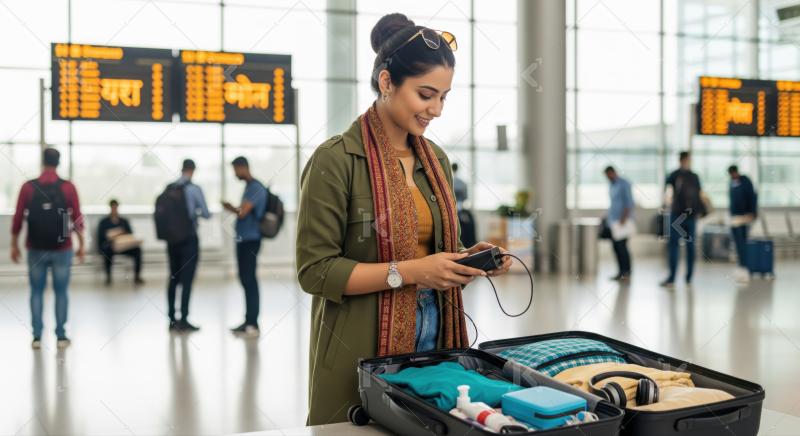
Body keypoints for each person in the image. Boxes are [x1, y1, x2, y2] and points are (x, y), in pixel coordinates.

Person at [295, 13, 512, 425]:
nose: (437, 110)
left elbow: (437, 252)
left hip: (436, 333)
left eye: (444, 97)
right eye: (426, 94)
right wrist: (412, 272)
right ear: (386, 82)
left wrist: (469, 259)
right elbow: (316, 272)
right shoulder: (335, 160)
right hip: (362, 340)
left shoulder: (437, 162)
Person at [10, 148, 85, 349]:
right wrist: (82, 245)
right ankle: (61, 336)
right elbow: (76, 217)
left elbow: (18, 218)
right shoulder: (68, 187)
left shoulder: (28, 187)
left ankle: (36, 337)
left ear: (42, 161)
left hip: (35, 247)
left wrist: (14, 244)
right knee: (61, 292)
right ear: (59, 162)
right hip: (63, 247)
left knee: (36, 291)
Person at [222, 156, 267, 338]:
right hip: (244, 239)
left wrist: (229, 207)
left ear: (243, 167)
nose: (234, 174)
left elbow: (243, 212)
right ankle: (248, 320)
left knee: (249, 280)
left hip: (251, 240)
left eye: (235, 170)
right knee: (245, 279)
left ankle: (252, 323)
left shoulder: (255, 187)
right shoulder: (249, 187)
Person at [165, 159, 209, 332]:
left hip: (172, 241)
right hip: (189, 239)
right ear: (193, 170)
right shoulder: (194, 189)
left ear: (182, 169)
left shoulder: (169, 189)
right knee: (187, 280)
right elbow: (206, 213)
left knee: (173, 278)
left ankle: (171, 319)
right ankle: (184, 319)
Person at [661, 151, 704, 288]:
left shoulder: (693, 176)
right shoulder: (675, 175)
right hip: (679, 216)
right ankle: (674, 277)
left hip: (687, 216)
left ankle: (687, 277)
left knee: (688, 246)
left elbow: (699, 195)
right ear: (682, 160)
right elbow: (667, 191)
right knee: (675, 246)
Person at [97, 199, 143, 285]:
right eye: (113, 207)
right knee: (107, 251)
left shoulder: (124, 221)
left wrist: (122, 235)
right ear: (110, 208)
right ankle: (108, 277)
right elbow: (101, 237)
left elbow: (130, 235)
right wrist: (112, 237)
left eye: (116, 207)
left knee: (137, 250)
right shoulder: (104, 222)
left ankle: (137, 277)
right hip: (111, 246)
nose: (114, 209)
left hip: (124, 246)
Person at [604, 166, 634, 281]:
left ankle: (627, 272)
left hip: (623, 222)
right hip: (614, 222)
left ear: (613, 172)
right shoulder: (611, 185)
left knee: (622, 247)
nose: (608, 178)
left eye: (608, 175)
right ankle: (621, 271)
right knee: (616, 247)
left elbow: (629, 202)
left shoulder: (624, 184)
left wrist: (624, 218)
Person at [728, 165, 758, 283]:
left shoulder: (745, 181)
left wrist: (752, 212)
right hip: (735, 218)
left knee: (742, 243)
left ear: (736, 172)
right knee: (737, 244)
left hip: (745, 217)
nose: (732, 176)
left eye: (733, 174)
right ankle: (741, 267)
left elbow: (753, 197)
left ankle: (745, 268)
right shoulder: (731, 183)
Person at [452, 162, 476, 248]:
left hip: (451, 209)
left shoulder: (447, 180)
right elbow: (465, 198)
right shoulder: (462, 183)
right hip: (460, 209)